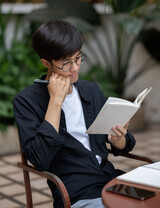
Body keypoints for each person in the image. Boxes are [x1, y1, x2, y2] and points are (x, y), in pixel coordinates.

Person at [13, 20, 136, 208]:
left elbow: (123, 144)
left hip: (111, 181)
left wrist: (117, 139)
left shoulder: (90, 90)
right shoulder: (26, 101)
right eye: (66, 62)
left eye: (78, 58)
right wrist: (55, 102)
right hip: (76, 193)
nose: (75, 67)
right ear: (46, 63)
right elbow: (40, 160)